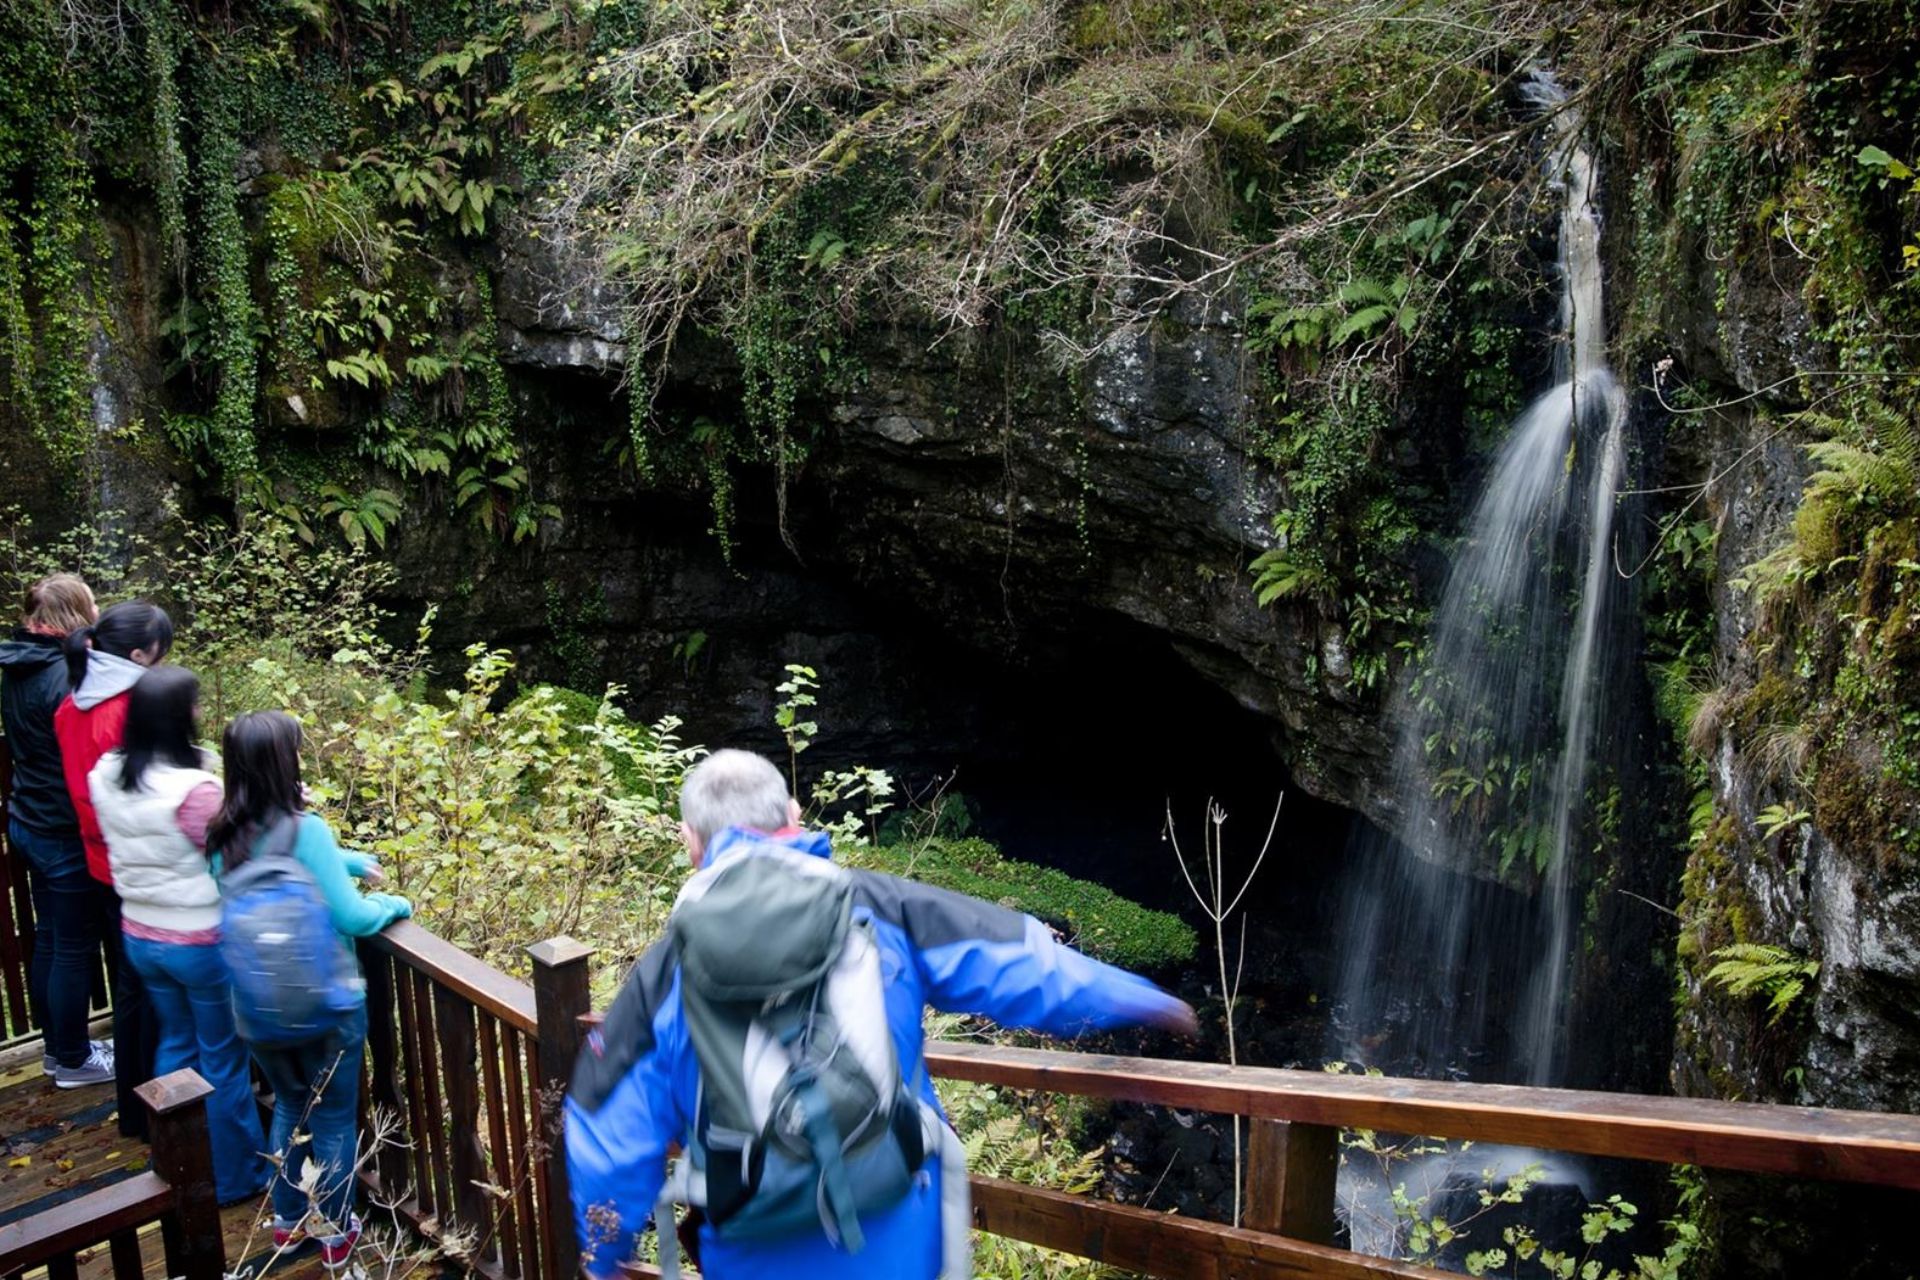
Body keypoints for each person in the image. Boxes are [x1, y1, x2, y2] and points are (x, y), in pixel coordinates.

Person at [566, 749, 1199, 1280]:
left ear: (691, 843)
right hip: (897, 1232)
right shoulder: (882, 908)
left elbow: (605, 1138)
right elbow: (1028, 967)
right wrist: (1146, 999)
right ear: (794, 815)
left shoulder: (664, 971)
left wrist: (604, 1259)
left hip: (755, 1246)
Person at [207, 710, 411, 1268]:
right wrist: (395, 904)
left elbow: (250, 873)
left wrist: (341, 859)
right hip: (326, 1005)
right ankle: (336, 1234)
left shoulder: (221, 834)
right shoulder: (308, 830)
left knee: (290, 1105)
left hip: (256, 1007)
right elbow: (352, 917)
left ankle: (287, 1222)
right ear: (285, 763)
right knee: (333, 1119)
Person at [87, 666, 269, 1204]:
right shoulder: (192, 791)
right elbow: (236, 854)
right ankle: (236, 1178)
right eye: (191, 706)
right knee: (222, 1058)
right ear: (176, 717)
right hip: (200, 940)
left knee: (175, 1043)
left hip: (141, 934)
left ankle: (178, 1162)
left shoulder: (108, 773)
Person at [53, 599, 170, 1134]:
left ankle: (134, 1109)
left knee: (132, 987)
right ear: (141, 655)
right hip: (140, 866)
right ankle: (154, 1114)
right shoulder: (126, 709)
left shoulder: (71, 704)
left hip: (101, 862)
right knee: (148, 990)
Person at [0, 574, 115, 1088]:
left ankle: (60, 1049)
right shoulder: (66, 678)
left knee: (51, 939)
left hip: (29, 817)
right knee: (71, 946)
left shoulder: (18, 665)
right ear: (75, 614)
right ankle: (71, 1058)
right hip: (64, 828)